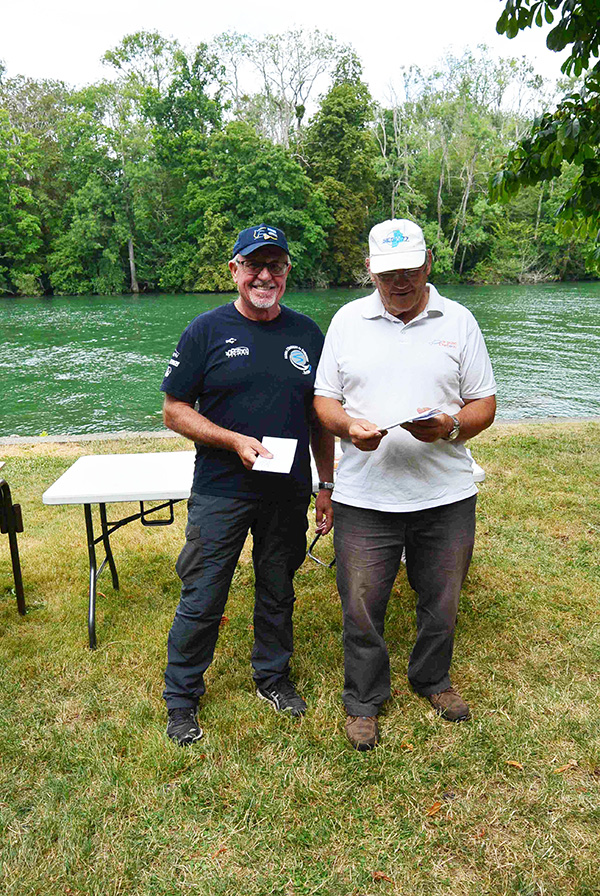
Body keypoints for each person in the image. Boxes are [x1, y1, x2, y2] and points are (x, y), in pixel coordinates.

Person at [313, 218, 496, 751]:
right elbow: (324, 399)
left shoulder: (458, 321)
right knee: (362, 603)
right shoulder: (347, 321)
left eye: (411, 270)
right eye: (389, 272)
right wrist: (348, 427)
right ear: (369, 269)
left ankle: (432, 679)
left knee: (441, 599)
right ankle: (364, 699)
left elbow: (483, 402)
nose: (400, 282)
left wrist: (451, 426)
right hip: (366, 496)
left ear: (428, 264)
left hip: (446, 494)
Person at [161, 223, 334, 746]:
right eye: (253, 265)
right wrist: (231, 439)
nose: (264, 275)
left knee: (279, 589)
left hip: (286, 490)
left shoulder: (307, 334)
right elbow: (173, 411)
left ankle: (273, 678)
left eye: (275, 266)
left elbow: (320, 419)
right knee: (204, 593)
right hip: (221, 489)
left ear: (287, 273)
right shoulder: (205, 331)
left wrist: (326, 485)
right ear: (234, 270)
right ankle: (182, 698)